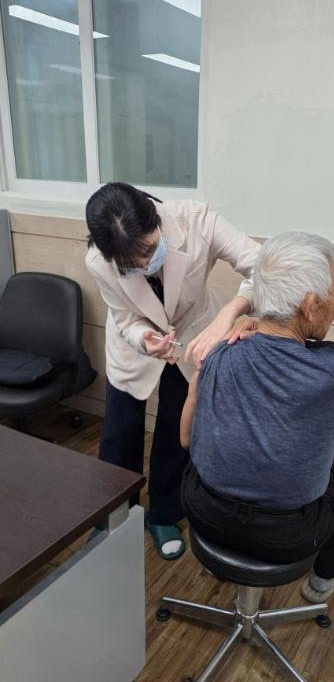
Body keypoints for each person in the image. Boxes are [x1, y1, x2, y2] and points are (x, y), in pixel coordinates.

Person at [180, 231, 334, 602]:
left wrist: (250, 322)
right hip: (286, 537)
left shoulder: (220, 355)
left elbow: (186, 440)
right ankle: (325, 577)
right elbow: (302, 356)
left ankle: (221, 560)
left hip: (204, 513)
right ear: (311, 305)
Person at [85, 182, 260, 560]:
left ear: (155, 217)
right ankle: (113, 515)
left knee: (174, 430)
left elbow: (265, 267)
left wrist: (231, 312)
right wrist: (142, 338)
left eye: (149, 249)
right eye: (131, 264)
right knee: (119, 432)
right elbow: (124, 318)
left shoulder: (197, 220)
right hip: (133, 348)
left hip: (193, 339)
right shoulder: (99, 260)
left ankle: (164, 513)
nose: (144, 264)